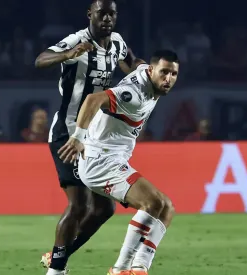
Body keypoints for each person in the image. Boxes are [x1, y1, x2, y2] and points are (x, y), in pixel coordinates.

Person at [34, 0, 144, 274]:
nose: (107, 19)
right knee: (79, 204)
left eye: (111, 14)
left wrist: (149, 73)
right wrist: (68, 53)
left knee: (104, 209)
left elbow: (133, 63)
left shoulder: (117, 42)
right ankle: (56, 270)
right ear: (90, 15)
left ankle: (58, 256)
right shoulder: (78, 40)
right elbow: (40, 60)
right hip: (68, 133)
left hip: (96, 137)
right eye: (101, 13)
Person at [58, 49, 179, 275]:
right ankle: (120, 269)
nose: (168, 79)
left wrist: (118, 46)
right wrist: (77, 137)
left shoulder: (145, 72)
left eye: (173, 74)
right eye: (164, 73)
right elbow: (93, 99)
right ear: (152, 71)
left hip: (114, 158)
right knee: (152, 203)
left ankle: (140, 268)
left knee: (167, 208)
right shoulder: (133, 95)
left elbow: (134, 61)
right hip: (99, 161)